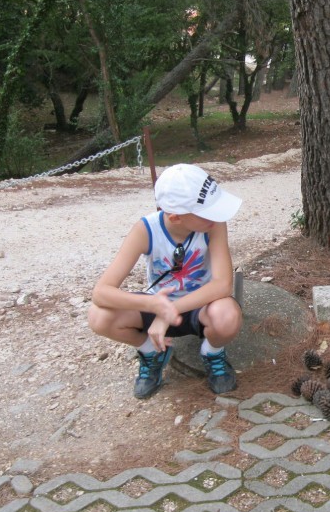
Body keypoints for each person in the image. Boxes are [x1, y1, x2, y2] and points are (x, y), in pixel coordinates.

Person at [88, 164, 243, 399]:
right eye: (207, 211)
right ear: (175, 217)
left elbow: (222, 285)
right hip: (156, 302)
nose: (216, 215)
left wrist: (168, 311)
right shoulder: (145, 230)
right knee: (99, 316)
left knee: (228, 315)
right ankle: (152, 352)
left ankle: (212, 352)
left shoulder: (213, 224)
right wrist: (155, 306)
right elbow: (101, 293)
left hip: (199, 307)